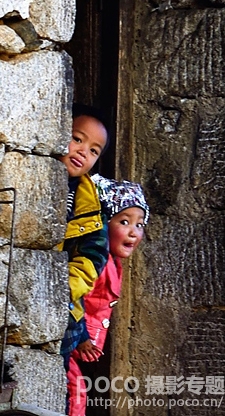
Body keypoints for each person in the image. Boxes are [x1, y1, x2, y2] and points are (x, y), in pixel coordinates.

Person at [66, 177, 149, 416]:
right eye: (124, 222)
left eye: (140, 225)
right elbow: (75, 296)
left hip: (78, 343)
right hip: (70, 337)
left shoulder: (114, 263)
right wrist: (81, 335)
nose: (133, 233)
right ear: (103, 224)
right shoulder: (95, 262)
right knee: (76, 392)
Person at [58, 105, 111, 410]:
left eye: (93, 150)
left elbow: (93, 258)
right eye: (77, 139)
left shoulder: (90, 205)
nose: (82, 152)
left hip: (67, 308)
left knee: (59, 381)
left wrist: (65, 288)